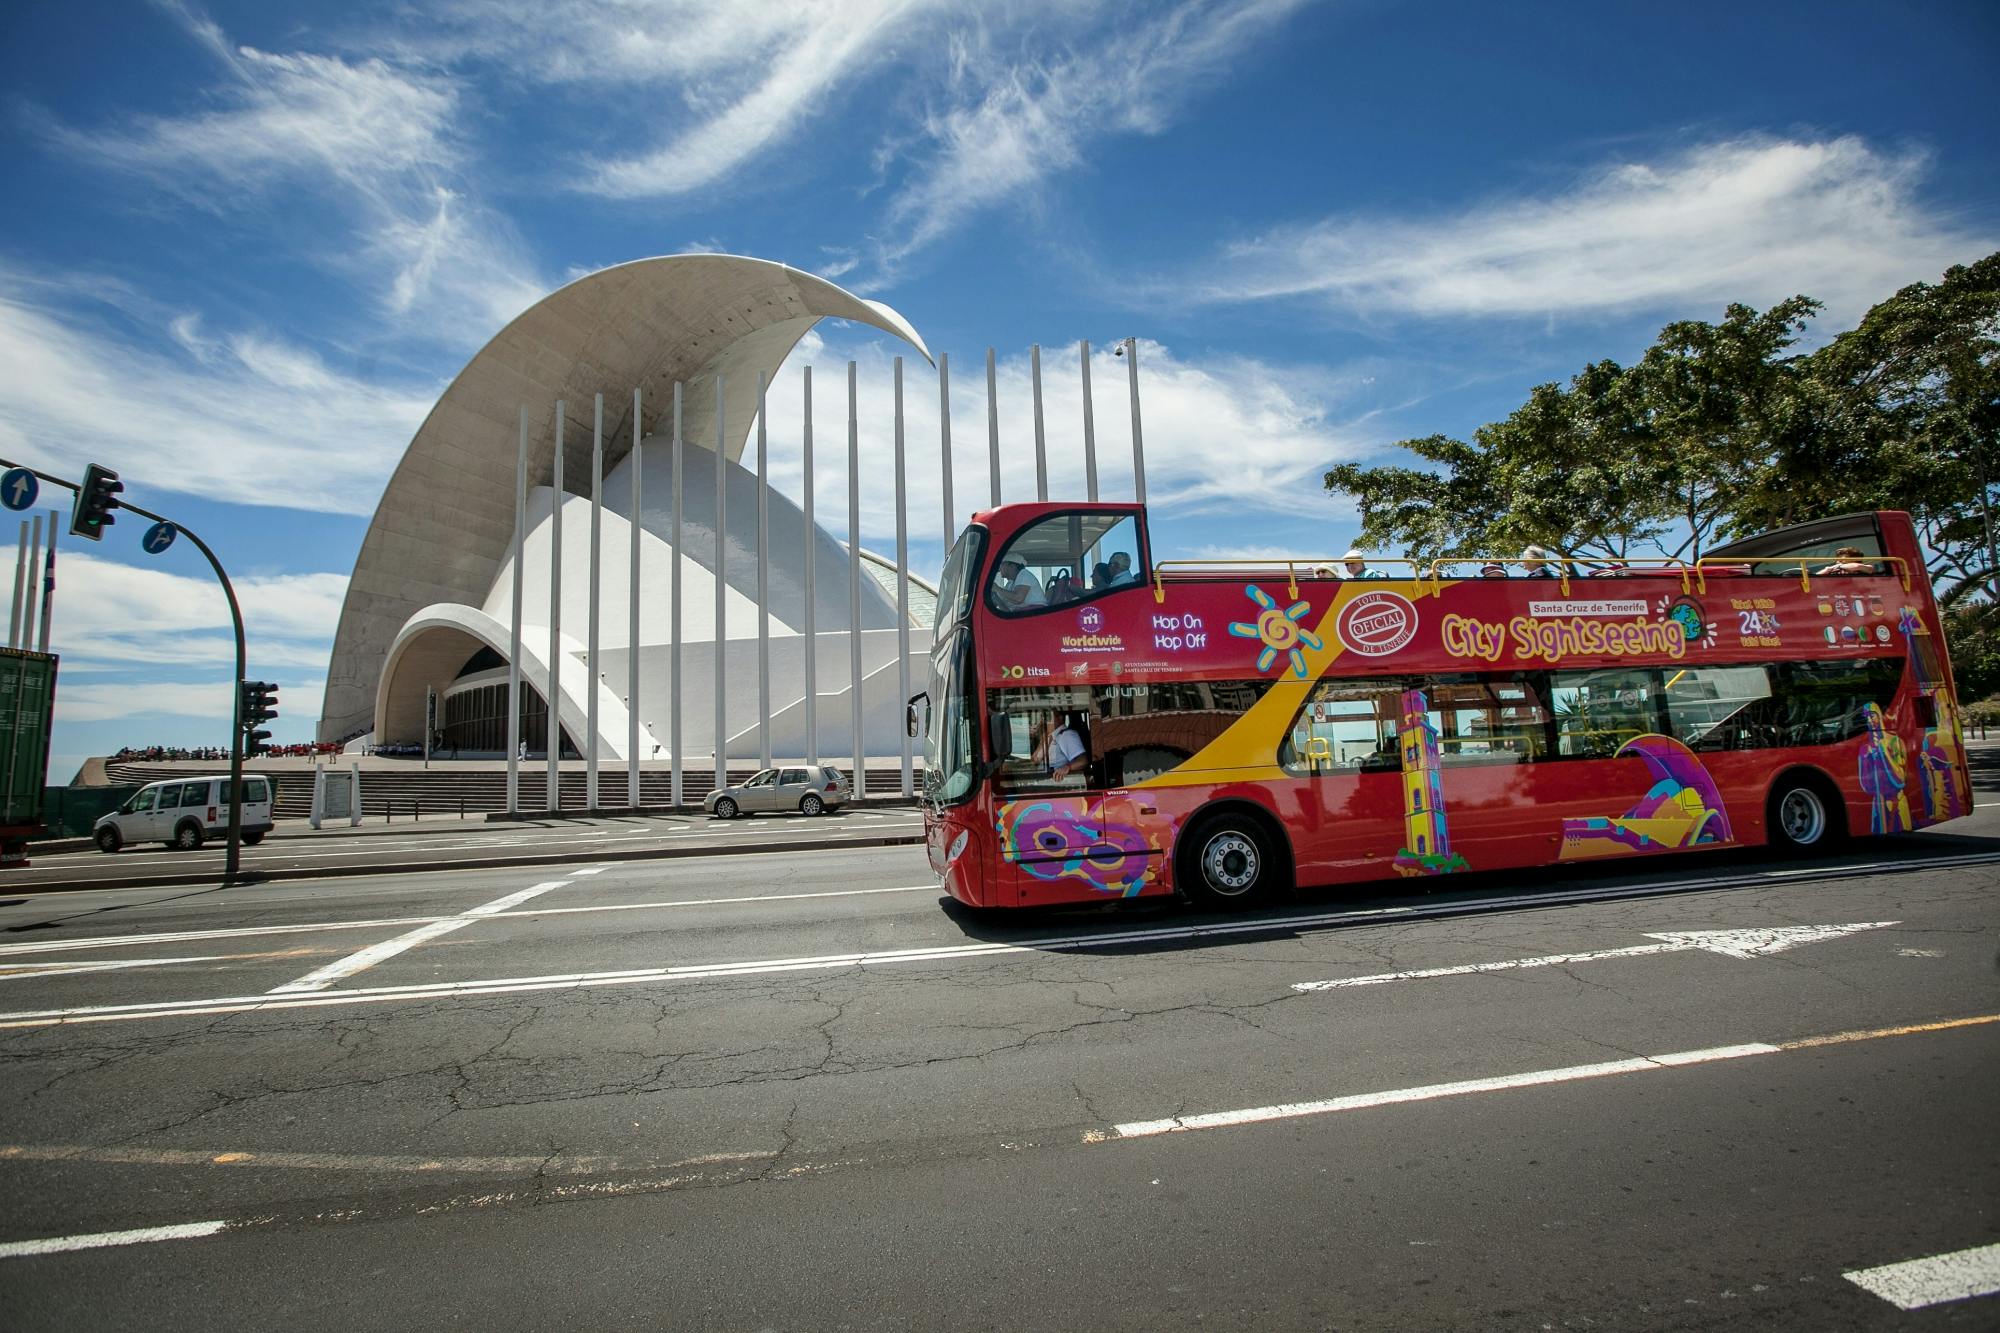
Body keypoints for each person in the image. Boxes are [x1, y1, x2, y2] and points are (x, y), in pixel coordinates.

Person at [1047, 713, 1087, 781]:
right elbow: (1036, 759)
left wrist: (1067, 767)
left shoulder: (1067, 735)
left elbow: (1083, 761)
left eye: (1048, 718)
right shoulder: (1052, 735)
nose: (1045, 721)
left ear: (1060, 717)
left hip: (1058, 780)